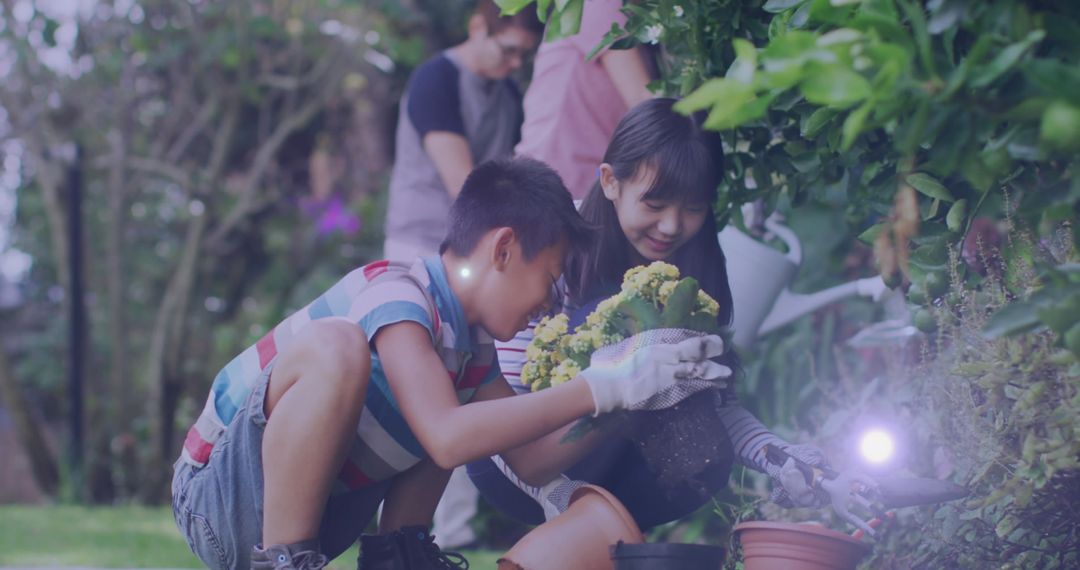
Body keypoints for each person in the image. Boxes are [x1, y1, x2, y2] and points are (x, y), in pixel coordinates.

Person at [171, 157, 729, 570]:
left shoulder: (468, 349)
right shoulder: (396, 292)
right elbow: (445, 438)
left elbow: (532, 460)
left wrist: (630, 396)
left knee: (451, 389)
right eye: (549, 278)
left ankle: (400, 557)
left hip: (316, 514)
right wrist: (599, 386)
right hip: (222, 497)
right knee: (341, 349)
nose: (550, 300)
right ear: (503, 249)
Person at [468, 98, 863, 531]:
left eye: (693, 208)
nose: (672, 226)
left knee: (675, 376)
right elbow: (502, 408)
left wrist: (782, 458)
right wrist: (556, 493)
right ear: (610, 181)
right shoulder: (552, 249)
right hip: (517, 463)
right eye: (655, 205)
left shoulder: (695, 268)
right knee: (625, 336)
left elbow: (711, 402)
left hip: (621, 471)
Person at [382, 0, 543, 262]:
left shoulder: (509, 93)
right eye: (509, 50)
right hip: (420, 245)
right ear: (477, 27)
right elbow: (462, 185)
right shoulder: (436, 79)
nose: (515, 63)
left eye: (524, 55)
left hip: (478, 245)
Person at [514, 0, 653, 199]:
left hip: (576, 174)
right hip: (558, 174)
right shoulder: (599, 4)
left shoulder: (633, 16)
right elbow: (644, 102)